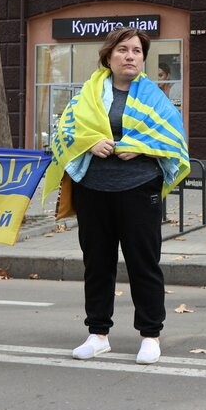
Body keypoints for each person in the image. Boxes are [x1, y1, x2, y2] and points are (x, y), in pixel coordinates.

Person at [49, 27, 189, 365]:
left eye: (137, 51)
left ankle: (150, 335)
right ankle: (97, 334)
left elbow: (173, 136)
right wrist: (89, 143)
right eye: (123, 50)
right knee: (97, 264)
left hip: (139, 189)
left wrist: (142, 147)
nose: (130, 56)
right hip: (93, 189)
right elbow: (64, 130)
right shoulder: (88, 93)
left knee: (144, 263)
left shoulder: (155, 97)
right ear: (108, 56)